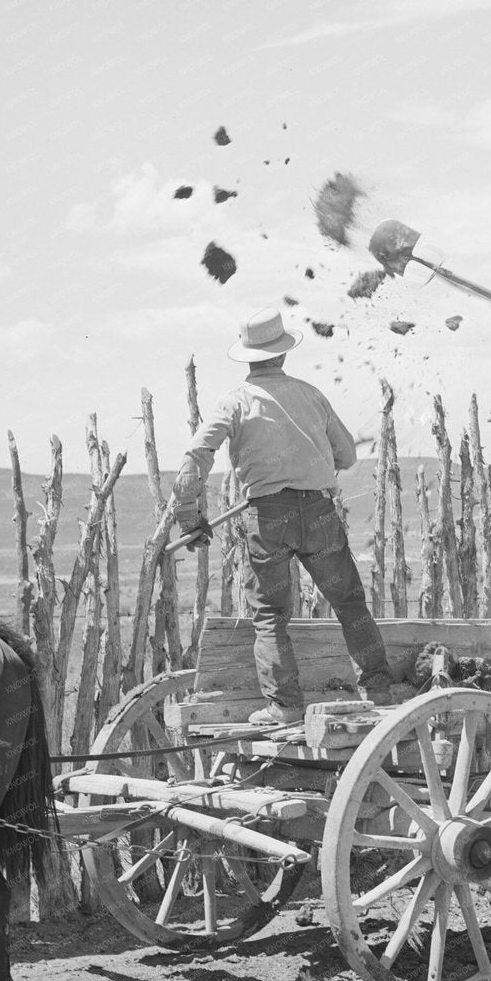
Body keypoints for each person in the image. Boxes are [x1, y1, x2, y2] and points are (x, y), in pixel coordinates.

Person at [171, 307, 394, 726]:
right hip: (319, 510)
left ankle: (286, 707)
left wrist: (189, 516)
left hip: (267, 516)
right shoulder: (311, 395)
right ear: (283, 353)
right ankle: (378, 687)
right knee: (349, 602)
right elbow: (346, 454)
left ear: (247, 356)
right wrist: (314, 462)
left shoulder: (234, 402)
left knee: (271, 616)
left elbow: (196, 456)